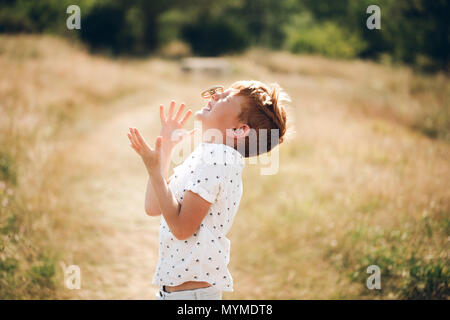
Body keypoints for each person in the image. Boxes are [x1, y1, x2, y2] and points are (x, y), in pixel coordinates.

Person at [127, 80, 290, 300]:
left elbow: (182, 228)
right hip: (179, 294)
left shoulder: (217, 160)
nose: (214, 96)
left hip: (191, 297)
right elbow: (154, 206)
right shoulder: (208, 156)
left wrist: (155, 171)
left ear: (239, 130)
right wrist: (165, 148)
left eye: (227, 98)